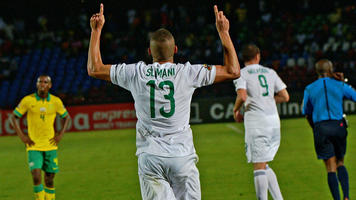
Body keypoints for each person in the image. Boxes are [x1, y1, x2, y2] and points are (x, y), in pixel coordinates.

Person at [87, 3, 240, 200]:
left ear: (149, 52)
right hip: (182, 156)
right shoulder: (187, 73)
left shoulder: (136, 73)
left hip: (151, 157)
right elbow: (233, 71)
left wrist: (96, 31)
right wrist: (224, 32)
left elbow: (94, 68)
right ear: (175, 49)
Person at [232, 44, 289, 200]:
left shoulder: (241, 73)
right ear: (258, 56)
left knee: (258, 166)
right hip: (274, 123)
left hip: (257, 123)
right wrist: (269, 100)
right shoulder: (270, 72)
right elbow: (285, 96)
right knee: (264, 164)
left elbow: (242, 96)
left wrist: (235, 110)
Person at [10, 75, 70, 200]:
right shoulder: (28, 100)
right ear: (37, 84)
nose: (42, 84)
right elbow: (14, 117)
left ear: (50, 85)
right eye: (40, 82)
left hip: (50, 145)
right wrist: (22, 136)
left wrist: (59, 135)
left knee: (49, 178)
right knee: (36, 176)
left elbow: (66, 117)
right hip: (33, 145)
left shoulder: (55, 101)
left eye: (45, 82)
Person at [302, 59, 356, 200]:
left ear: (316, 71)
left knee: (330, 168)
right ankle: (346, 197)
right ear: (331, 69)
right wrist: (343, 81)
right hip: (338, 126)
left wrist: (315, 128)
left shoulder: (309, 88)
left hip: (321, 128)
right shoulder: (340, 85)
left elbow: (306, 112)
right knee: (340, 163)